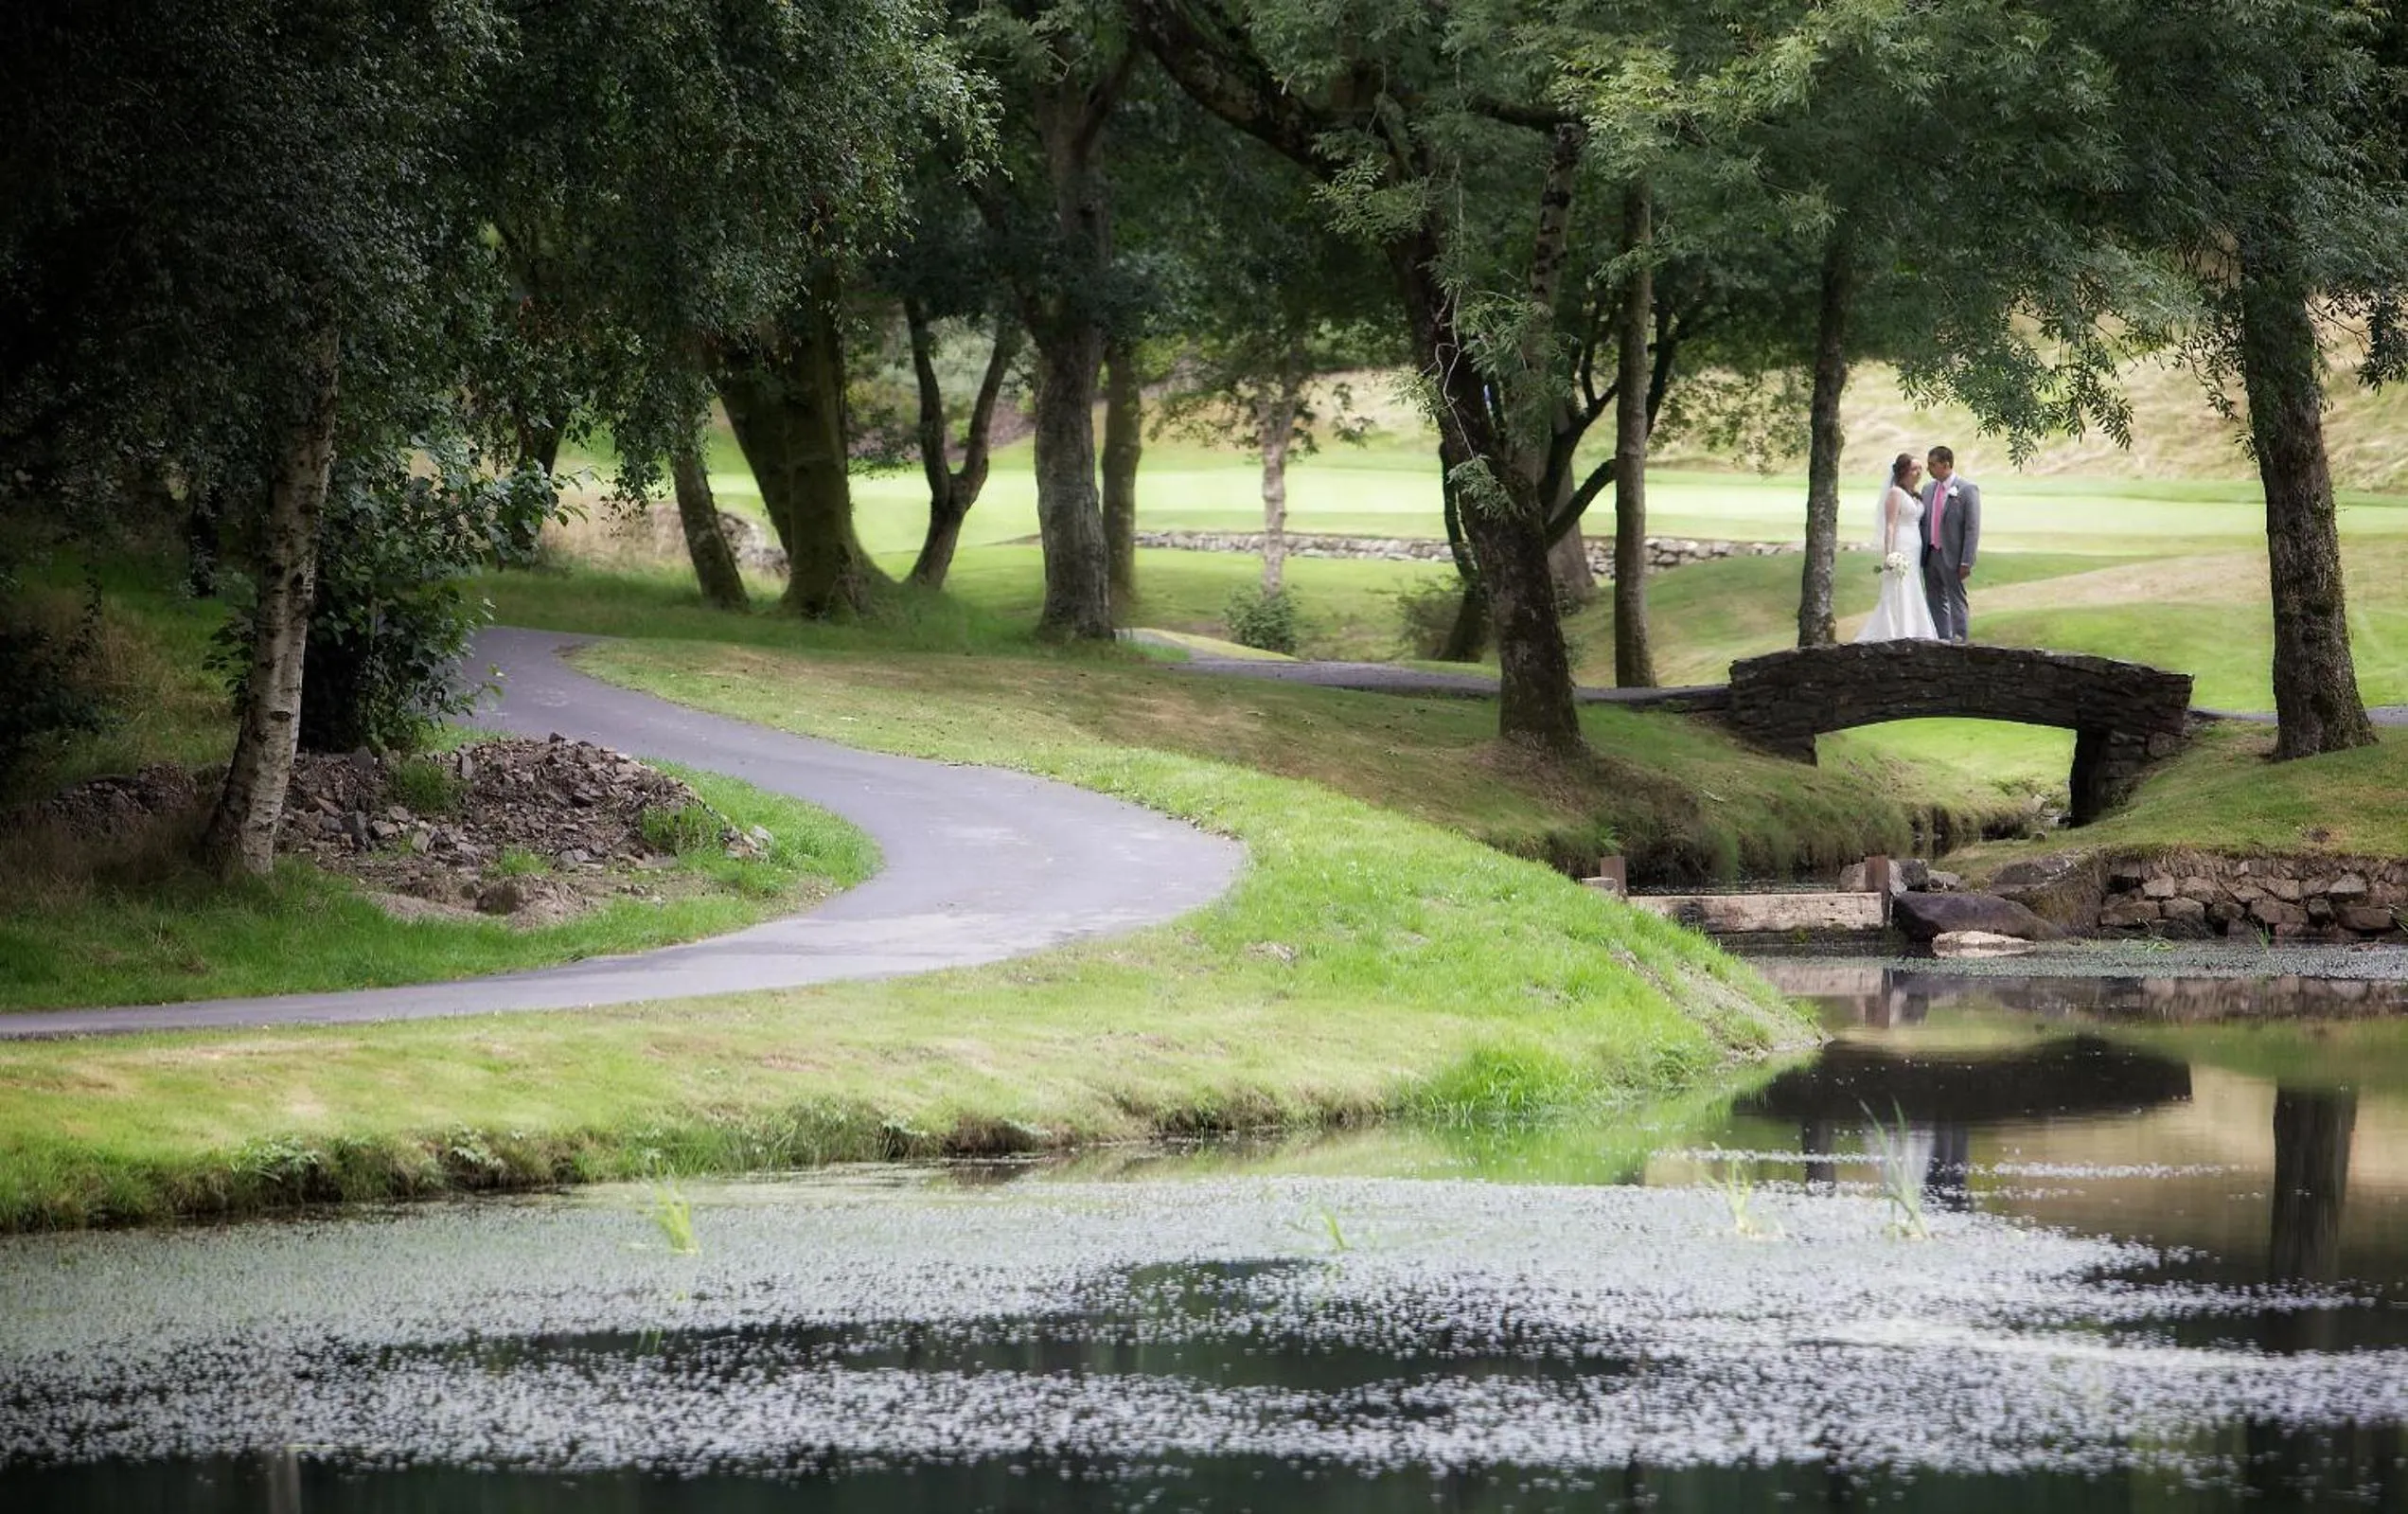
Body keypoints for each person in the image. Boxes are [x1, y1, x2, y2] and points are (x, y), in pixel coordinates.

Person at [1855, 452, 1939, 643]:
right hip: (1901, 543)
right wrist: (1889, 554)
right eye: (1914, 469)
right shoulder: (1896, 493)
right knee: (1898, 586)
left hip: (1915, 545)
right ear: (1903, 471)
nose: (1918, 472)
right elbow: (1891, 524)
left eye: (1920, 469)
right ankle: (1895, 630)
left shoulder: (1915, 495)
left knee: (1912, 584)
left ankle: (1914, 627)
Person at [1921, 444, 1980, 642]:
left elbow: (1972, 528)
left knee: (1956, 599)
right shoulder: (1928, 489)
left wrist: (1967, 561)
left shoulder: (1967, 489)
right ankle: (1942, 639)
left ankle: (1960, 639)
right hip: (1931, 554)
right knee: (1935, 599)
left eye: (1932, 464)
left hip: (1953, 556)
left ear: (1946, 465)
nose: (1928, 469)